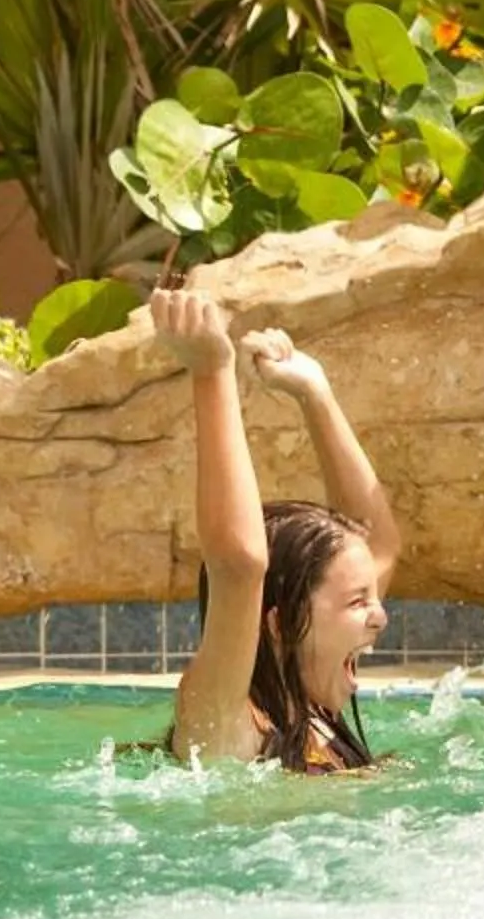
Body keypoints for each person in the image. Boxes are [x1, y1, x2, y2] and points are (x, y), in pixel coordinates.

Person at [153, 290, 401, 772]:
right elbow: (239, 566)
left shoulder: (312, 705)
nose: (380, 617)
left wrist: (316, 395)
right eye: (356, 601)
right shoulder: (226, 724)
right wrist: (211, 373)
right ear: (282, 623)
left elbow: (381, 544)